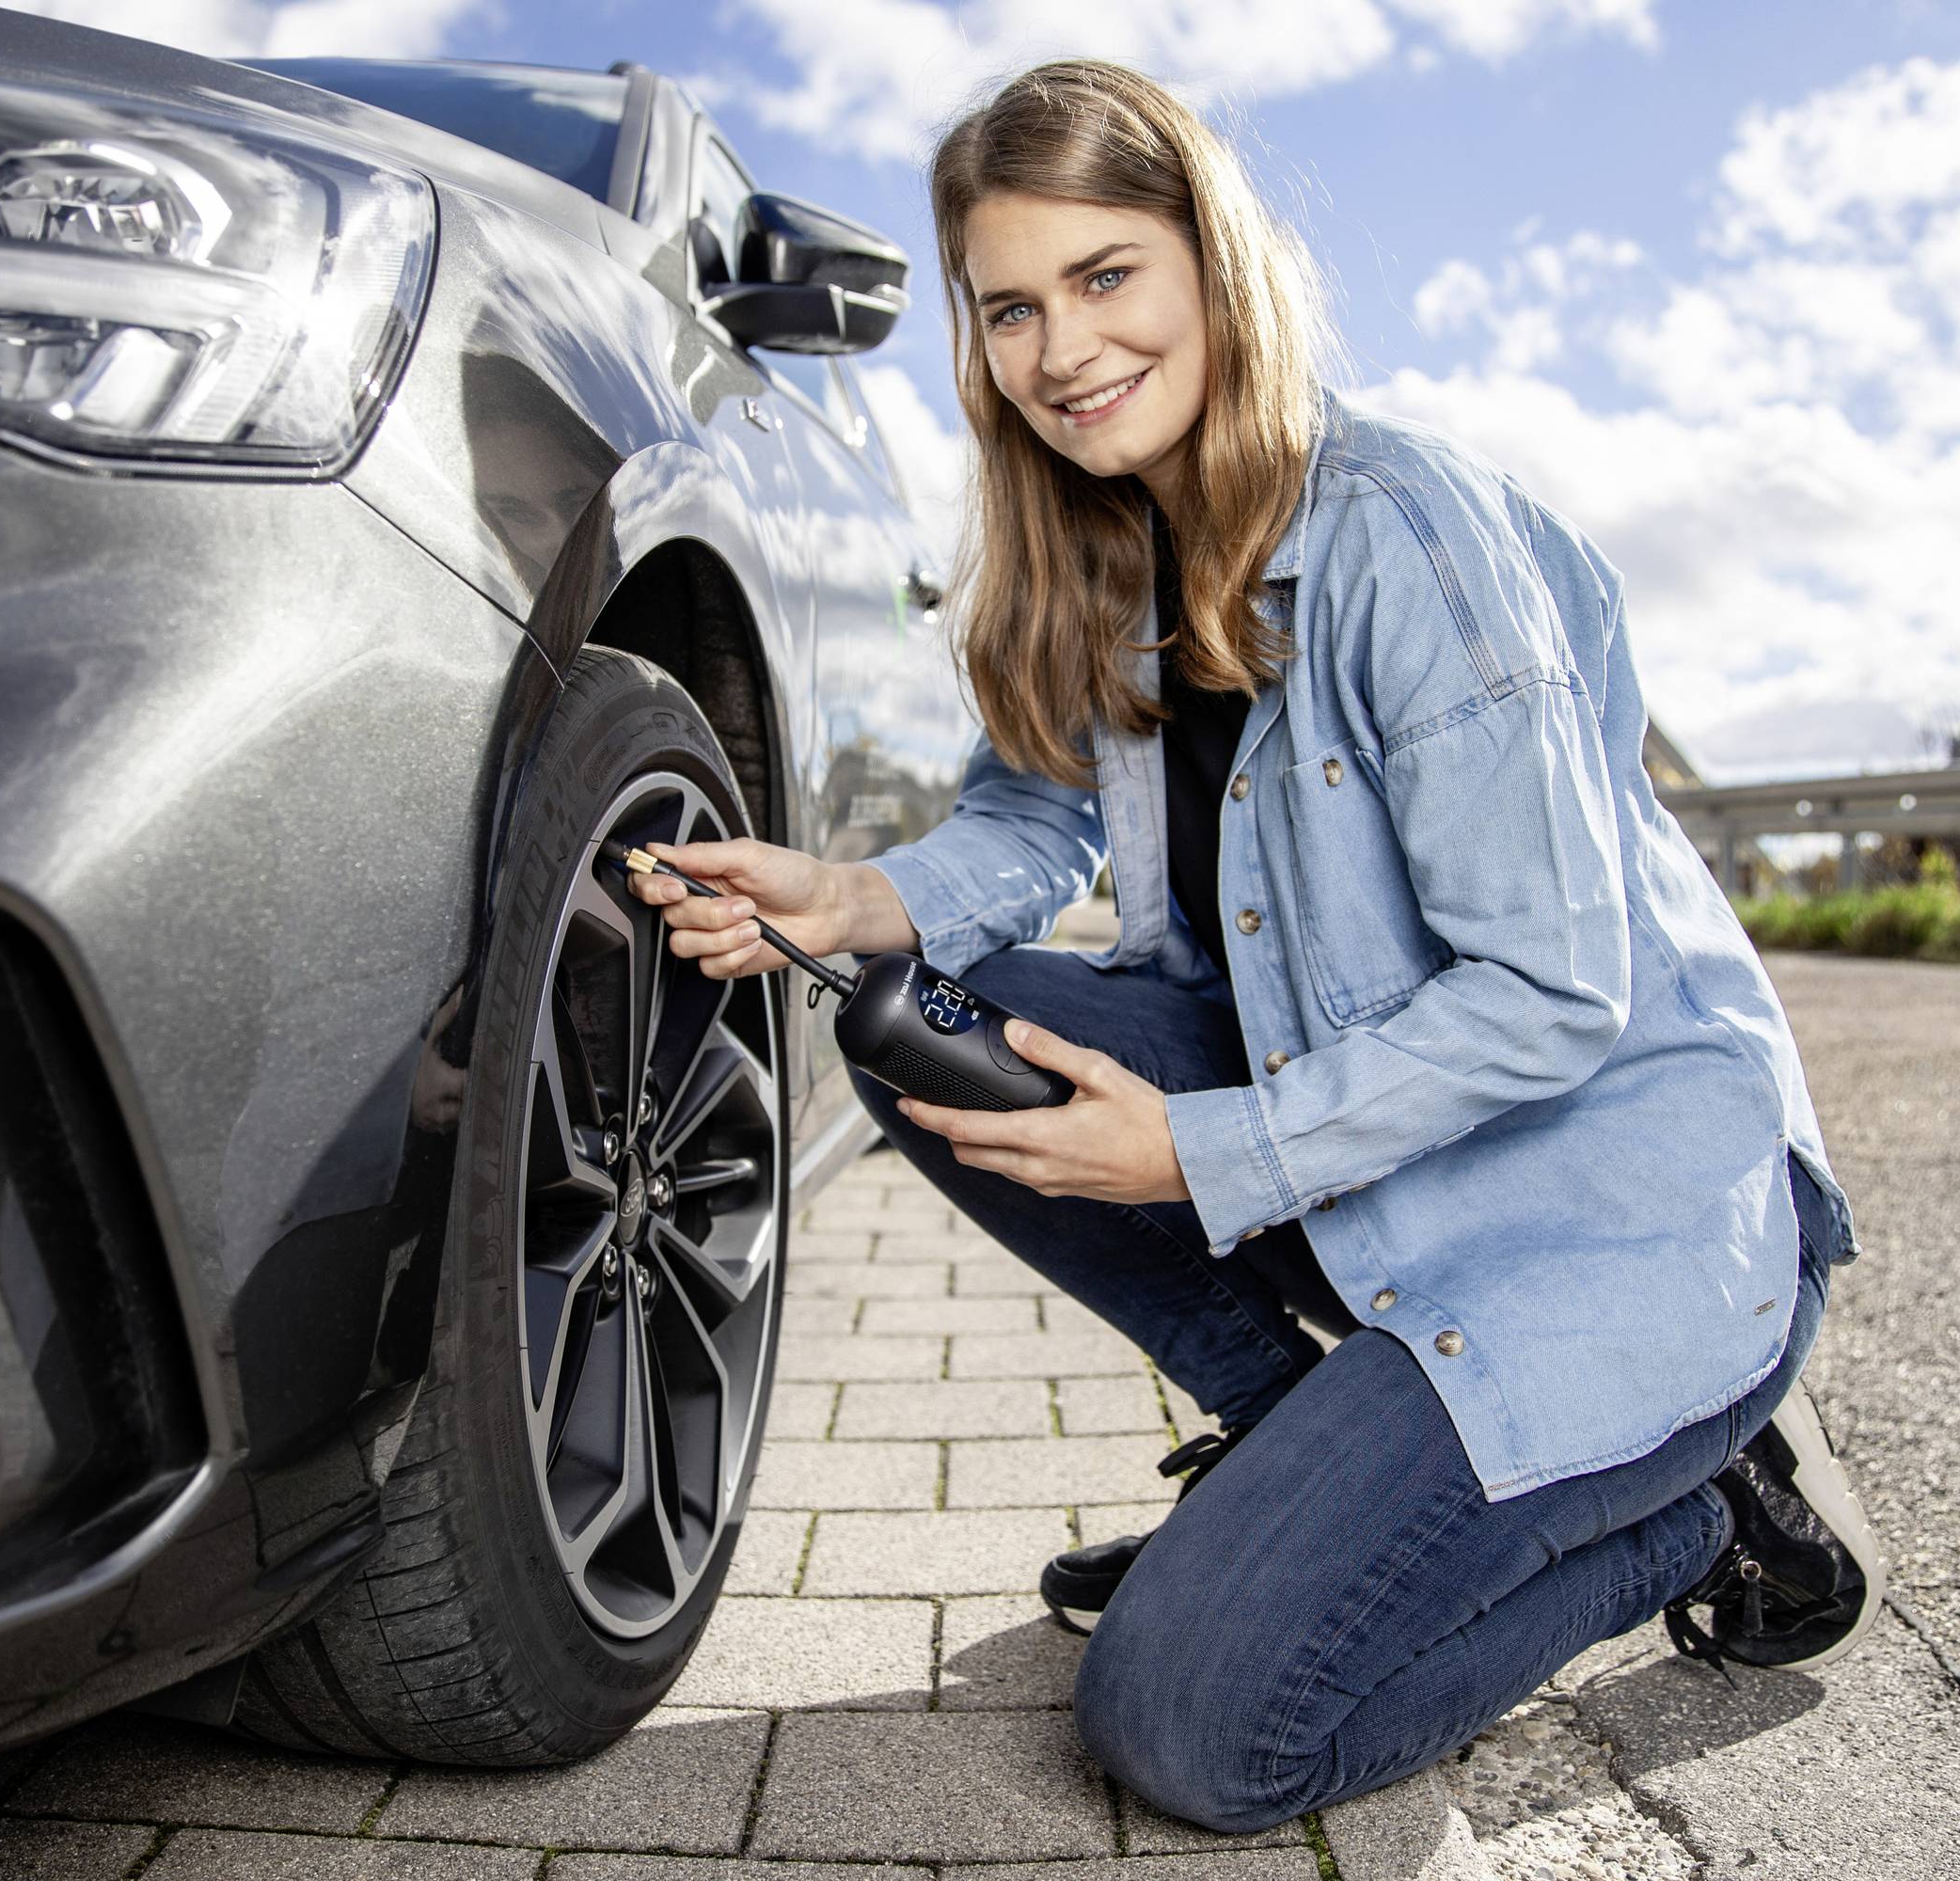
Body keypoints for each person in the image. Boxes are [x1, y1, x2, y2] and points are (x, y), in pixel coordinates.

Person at [624, 57, 1883, 1834]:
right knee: (929, 1018)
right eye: (1011, 308)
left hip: (1618, 1225)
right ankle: (1295, 1437)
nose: (1061, 350)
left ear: (1214, 261)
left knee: (1198, 1732)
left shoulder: (1403, 535)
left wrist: (1202, 1152)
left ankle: (1696, 1511)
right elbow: (1034, 822)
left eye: (1105, 276)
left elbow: (1554, 993)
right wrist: (854, 903)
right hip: (1393, 1161)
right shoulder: (1103, 556)